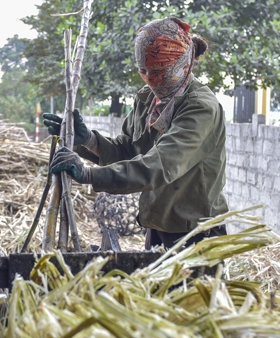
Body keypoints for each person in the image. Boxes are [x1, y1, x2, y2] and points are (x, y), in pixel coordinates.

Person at [43, 17, 228, 251]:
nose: (151, 79)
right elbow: (127, 149)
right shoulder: (149, 98)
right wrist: (88, 140)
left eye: (159, 71)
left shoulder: (200, 107)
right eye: (144, 71)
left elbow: (159, 166)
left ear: (183, 65)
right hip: (158, 224)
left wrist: (89, 175)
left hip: (196, 232)